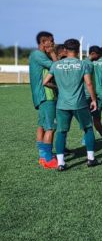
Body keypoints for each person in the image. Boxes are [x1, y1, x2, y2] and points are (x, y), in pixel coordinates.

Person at [42, 38, 99, 171]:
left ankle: (61, 163)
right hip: (79, 103)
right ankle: (91, 159)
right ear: (78, 50)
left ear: (65, 50)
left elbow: (45, 82)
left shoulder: (56, 65)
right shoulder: (82, 64)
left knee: (61, 132)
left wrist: (57, 88)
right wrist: (94, 99)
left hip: (62, 104)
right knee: (88, 129)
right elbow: (89, 83)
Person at [29, 31, 58, 168]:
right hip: (47, 95)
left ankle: (43, 155)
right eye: (51, 41)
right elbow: (57, 67)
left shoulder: (37, 55)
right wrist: (53, 54)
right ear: (43, 42)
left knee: (42, 125)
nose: (53, 43)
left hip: (41, 96)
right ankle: (47, 159)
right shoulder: (38, 55)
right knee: (51, 127)